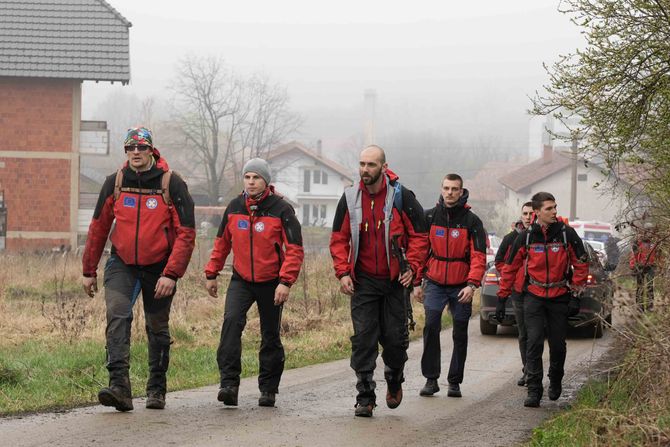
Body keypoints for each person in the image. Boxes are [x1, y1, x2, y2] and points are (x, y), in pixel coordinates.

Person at [82, 126, 196, 412]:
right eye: (130, 148)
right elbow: (98, 227)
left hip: (160, 266)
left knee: (156, 328)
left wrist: (171, 274)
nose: (135, 152)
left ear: (151, 150)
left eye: (141, 147)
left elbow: (187, 233)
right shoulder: (115, 183)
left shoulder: (172, 183)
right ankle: (119, 386)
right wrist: (88, 269)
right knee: (117, 317)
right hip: (122, 263)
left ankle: (156, 388)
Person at [330, 145, 428, 417]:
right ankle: (365, 395)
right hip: (363, 282)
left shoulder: (401, 197)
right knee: (363, 340)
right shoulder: (349, 198)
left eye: (371, 165)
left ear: (384, 167)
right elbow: (338, 240)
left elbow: (421, 235)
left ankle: (394, 377)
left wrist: (414, 267)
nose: (365, 170)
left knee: (395, 342)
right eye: (361, 164)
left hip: (394, 282)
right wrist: (343, 272)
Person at [205, 158, 303, 408]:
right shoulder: (235, 206)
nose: (251, 182)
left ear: (265, 181)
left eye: (256, 177)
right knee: (230, 324)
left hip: (272, 281)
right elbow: (222, 244)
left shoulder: (282, 209)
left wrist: (286, 281)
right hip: (241, 279)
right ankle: (228, 385)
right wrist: (212, 272)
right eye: (247, 177)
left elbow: (294, 250)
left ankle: (268, 389)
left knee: (270, 335)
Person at [496, 192, 588, 407]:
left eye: (555, 207)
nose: (554, 211)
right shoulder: (527, 237)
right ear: (537, 212)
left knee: (558, 345)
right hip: (534, 297)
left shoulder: (566, 234)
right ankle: (534, 389)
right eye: (549, 209)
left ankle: (556, 380)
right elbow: (510, 268)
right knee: (534, 342)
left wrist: (575, 293)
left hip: (559, 297)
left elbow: (582, 264)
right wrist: (502, 297)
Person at [415, 174, 487, 398]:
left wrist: (472, 284)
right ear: (441, 189)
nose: (450, 193)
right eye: (446, 188)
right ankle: (431, 379)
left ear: (461, 191)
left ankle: (454, 382)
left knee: (460, 332)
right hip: (435, 283)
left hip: (461, 286)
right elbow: (419, 252)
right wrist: (417, 282)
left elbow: (478, 256)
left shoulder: (472, 221)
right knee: (431, 326)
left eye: (454, 189)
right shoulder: (429, 216)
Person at [494, 201, 533, 387]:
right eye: (525, 213)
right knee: (524, 333)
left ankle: (536, 371)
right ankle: (528, 370)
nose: (528, 217)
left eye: (531, 213)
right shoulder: (510, 238)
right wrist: (514, 274)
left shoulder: (542, 237)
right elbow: (500, 261)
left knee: (537, 334)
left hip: (539, 292)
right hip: (518, 292)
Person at [629, 223, 657, 311]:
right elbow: (633, 254)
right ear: (645, 231)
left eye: (651, 230)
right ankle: (639, 305)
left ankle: (650, 305)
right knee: (640, 286)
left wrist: (660, 264)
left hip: (651, 266)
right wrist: (633, 265)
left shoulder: (655, 241)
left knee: (650, 285)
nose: (650, 232)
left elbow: (658, 254)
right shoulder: (638, 242)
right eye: (648, 230)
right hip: (640, 266)